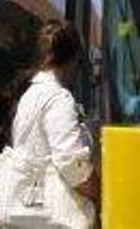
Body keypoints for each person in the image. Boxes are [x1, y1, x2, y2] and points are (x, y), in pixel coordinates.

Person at [8, 20, 98, 224]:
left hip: (32, 211)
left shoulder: (30, 95)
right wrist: (99, 191)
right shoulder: (58, 98)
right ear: (73, 59)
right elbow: (71, 162)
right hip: (58, 217)